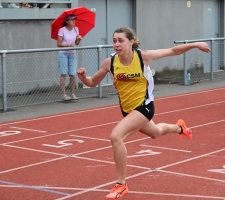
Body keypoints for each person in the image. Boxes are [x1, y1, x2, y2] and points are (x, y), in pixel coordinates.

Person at [77, 26, 210, 199]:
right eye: (114, 41)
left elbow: (171, 50)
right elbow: (93, 82)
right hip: (128, 110)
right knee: (156, 133)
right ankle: (179, 127)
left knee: (116, 136)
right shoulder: (109, 63)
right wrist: (83, 79)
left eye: (121, 40)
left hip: (144, 107)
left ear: (131, 42)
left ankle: (121, 184)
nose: (117, 44)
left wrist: (196, 44)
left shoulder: (143, 57)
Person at [57, 14, 82, 101]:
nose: (73, 21)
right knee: (63, 74)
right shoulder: (62, 30)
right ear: (67, 21)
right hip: (63, 53)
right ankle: (64, 94)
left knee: (72, 74)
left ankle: (72, 94)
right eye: (71, 19)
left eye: (74, 19)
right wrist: (68, 45)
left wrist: (78, 40)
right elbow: (59, 44)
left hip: (72, 54)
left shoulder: (76, 29)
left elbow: (76, 43)